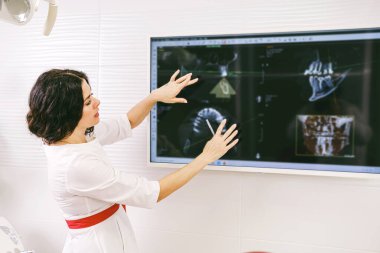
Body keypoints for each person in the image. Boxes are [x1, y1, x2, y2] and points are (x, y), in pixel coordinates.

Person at [26, 69, 239, 253]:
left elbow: (126, 122)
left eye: (93, 96)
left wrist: (154, 97)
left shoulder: (74, 133)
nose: (98, 102)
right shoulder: (74, 165)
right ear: (67, 114)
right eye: (88, 102)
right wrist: (206, 156)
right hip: (97, 246)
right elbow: (153, 192)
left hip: (111, 234)